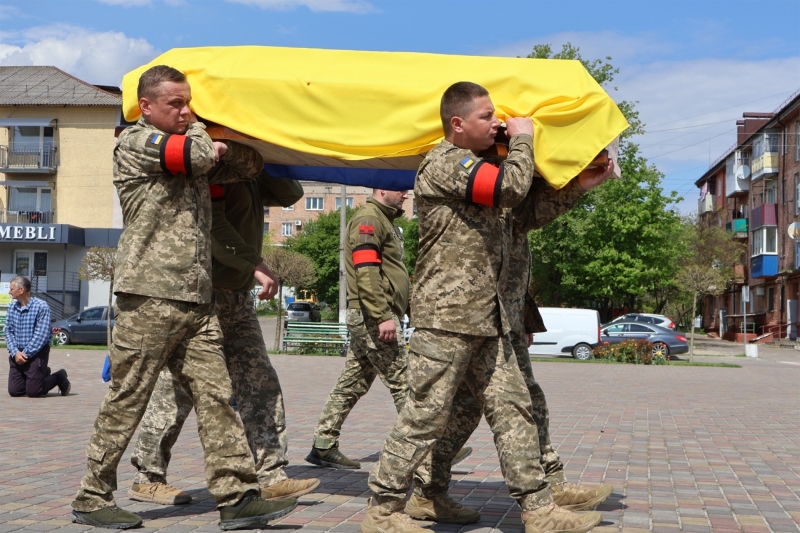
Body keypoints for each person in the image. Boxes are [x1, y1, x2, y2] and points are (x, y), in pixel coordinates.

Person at [361, 81, 603, 533]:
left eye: (498, 116)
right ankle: (383, 511)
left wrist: (581, 186)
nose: (497, 122)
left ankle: (538, 509)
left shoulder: (481, 171)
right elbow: (512, 189)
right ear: (457, 124)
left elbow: (524, 216)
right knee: (424, 415)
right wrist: (525, 137)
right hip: (447, 318)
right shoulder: (445, 162)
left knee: (514, 409)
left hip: (490, 318)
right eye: (486, 115)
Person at [70, 65, 296, 530]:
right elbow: (195, 155)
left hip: (196, 297)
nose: (187, 111)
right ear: (145, 106)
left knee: (217, 396)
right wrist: (203, 137)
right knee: (129, 396)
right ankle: (92, 496)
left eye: (191, 102)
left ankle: (236, 496)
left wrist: (220, 146)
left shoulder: (188, 142)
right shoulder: (135, 143)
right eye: (176, 104)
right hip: (148, 294)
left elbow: (252, 165)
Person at [128, 169, 319, 505]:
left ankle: (270, 474)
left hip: (237, 298)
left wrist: (269, 161)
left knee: (260, 382)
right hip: (205, 293)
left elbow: (290, 194)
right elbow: (213, 227)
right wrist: (256, 265)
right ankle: (148, 476)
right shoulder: (217, 168)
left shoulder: (249, 173)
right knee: (180, 390)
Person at [305, 188, 476, 524]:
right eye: (400, 190)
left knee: (352, 382)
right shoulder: (370, 219)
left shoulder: (383, 219)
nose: (406, 195)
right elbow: (367, 271)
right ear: (382, 189)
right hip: (373, 316)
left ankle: (324, 442)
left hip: (373, 315)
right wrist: (382, 313)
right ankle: (428, 464)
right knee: (408, 386)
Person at [6, 275, 70, 398]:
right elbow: (8, 331)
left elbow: (42, 335)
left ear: (21, 290)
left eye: (11, 289)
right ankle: (40, 375)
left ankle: (59, 377)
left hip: (36, 353)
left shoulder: (41, 306)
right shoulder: (12, 307)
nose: (9, 292)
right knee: (15, 391)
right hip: (17, 353)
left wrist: (25, 354)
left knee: (34, 392)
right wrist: (15, 353)